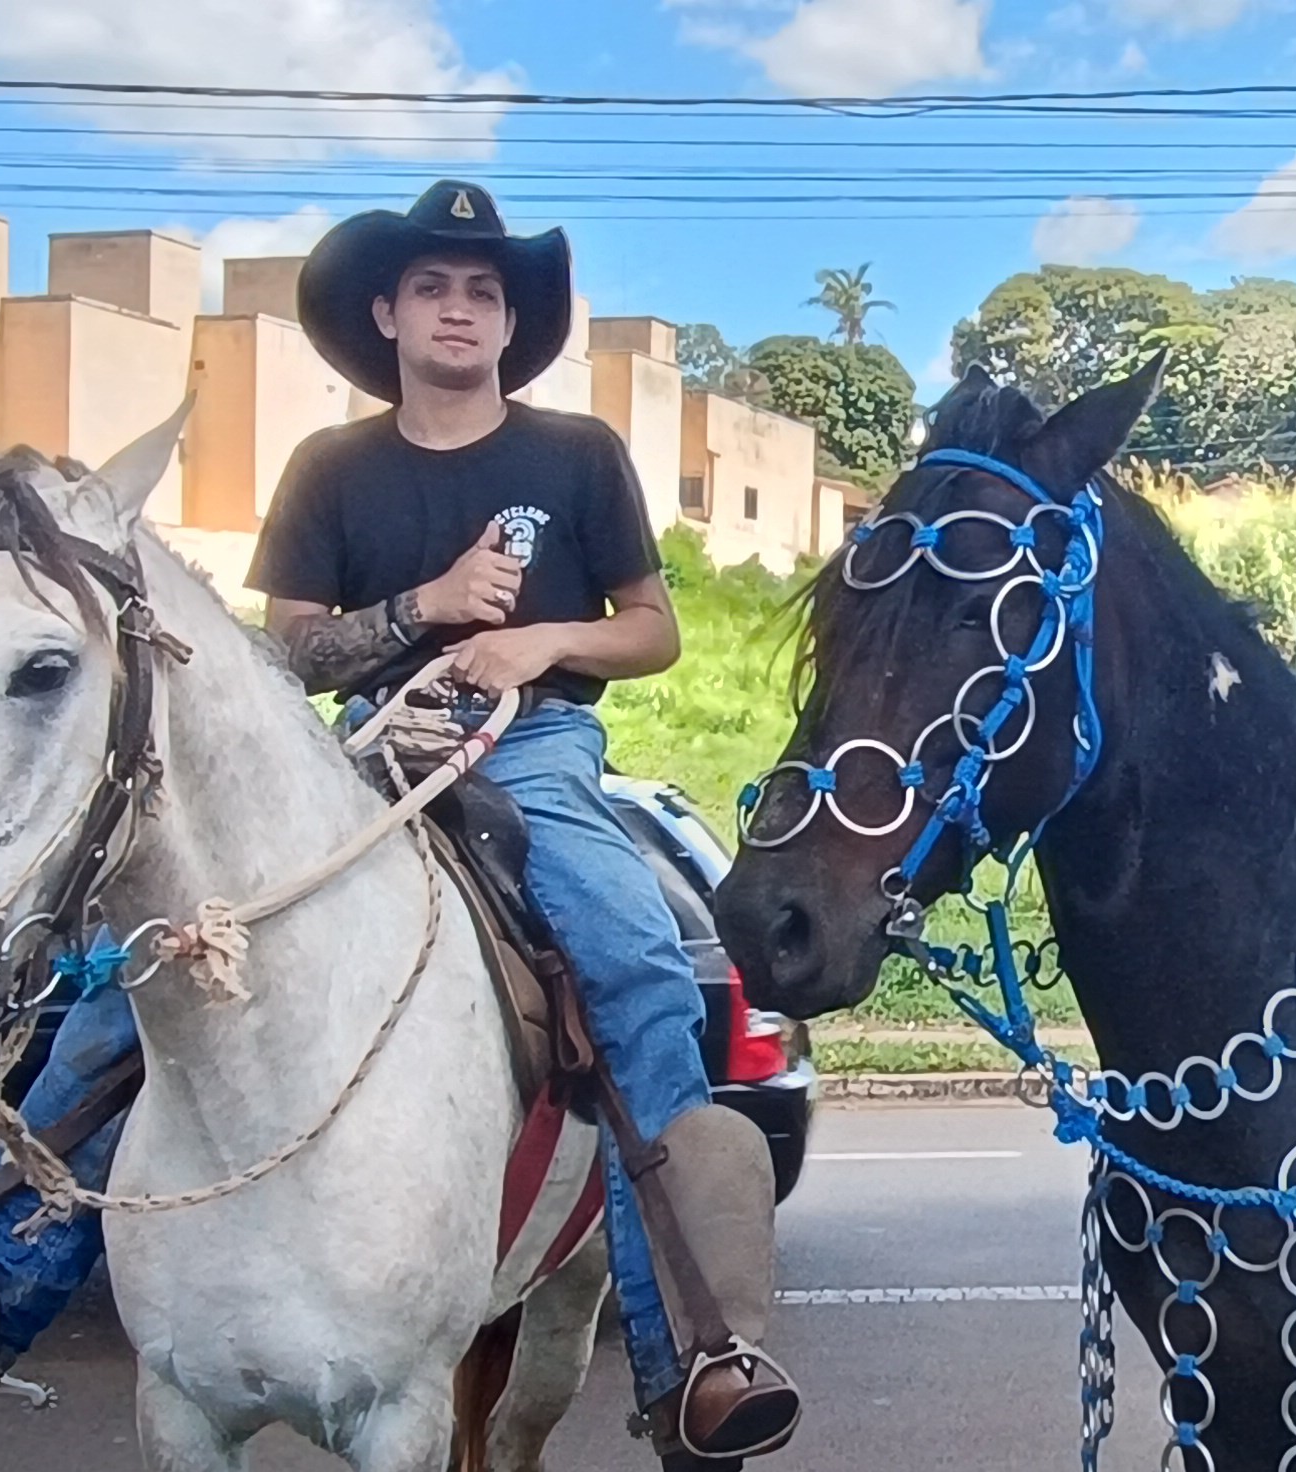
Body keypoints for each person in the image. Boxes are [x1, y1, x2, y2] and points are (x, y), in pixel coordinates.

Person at [246, 179, 799, 1468]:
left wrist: (539, 640)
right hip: (368, 750)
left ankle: (694, 1357)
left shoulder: (576, 454)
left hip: (535, 749)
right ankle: (4, 1267)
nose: (458, 308)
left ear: (509, 323)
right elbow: (288, 655)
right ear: (386, 314)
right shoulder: (330, 468)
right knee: (180, 940)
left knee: (643, 969)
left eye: (482, 291)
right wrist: (426, 608)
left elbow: (652, 631)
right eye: (432, 286)